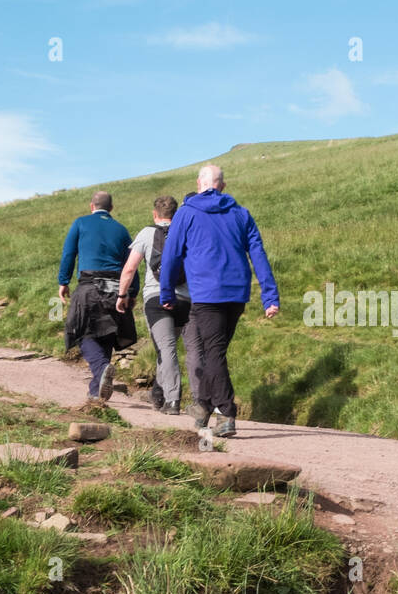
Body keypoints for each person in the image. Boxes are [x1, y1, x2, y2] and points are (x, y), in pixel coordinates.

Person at [158, 165, 280, 437]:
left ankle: (225, 412)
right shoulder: (241, 213)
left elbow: (171, 255)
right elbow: (258, 254)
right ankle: (203, 406)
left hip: (206, 294)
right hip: (237, 294)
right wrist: (269, 296)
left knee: (213, 352)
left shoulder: (186, 213)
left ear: (198, 183)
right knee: (215, 349)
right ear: (222, 186)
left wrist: (166, 292)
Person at [117, 195, 202, 415]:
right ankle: (159, 393)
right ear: (176, 214)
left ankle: (173, 400)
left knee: (166, 348)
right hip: (185, 299)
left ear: (155, 214)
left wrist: (122, 294)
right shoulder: (186, 232)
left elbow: (129, 268)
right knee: (166, 348)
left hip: (156, 298)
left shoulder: (147, 233)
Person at [58, 191, 140, 403]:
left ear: (91, 206)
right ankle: (96, 392)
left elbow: (69, 253)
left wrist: (63, 281)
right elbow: (131, 263)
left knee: (81, 332)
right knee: (106, 334)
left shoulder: (80, 223)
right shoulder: (121, 229)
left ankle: (102, 369)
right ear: (111, 208)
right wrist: (132, 292)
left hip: (89, 285)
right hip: (116, 289)